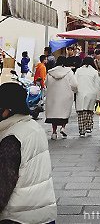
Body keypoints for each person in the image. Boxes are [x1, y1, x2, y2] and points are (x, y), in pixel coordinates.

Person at [0, 82, 57, 223]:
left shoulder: (11, 138)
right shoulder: (34, 127)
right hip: (43, 211)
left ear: (8, 109)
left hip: (17, 217)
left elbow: (4, 185)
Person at [45, 56, 78, 140]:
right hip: (65, 96)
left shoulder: (50, 72)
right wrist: (75, 91)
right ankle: (63, 128)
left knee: (54, 114)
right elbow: (74, 84)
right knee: (64, 113)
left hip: (53, 96)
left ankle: (54, 132)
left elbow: (46, 83)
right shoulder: (69, 72)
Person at [75, 57, 100, 137]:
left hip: (80, 93)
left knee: (81, 112)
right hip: (91, 93)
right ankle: (89, 127)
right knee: (89, 111)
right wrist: (97, 97)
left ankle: (82, 130)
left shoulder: (78, 71)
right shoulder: (94, 72)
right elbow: (97, 85)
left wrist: (75, 91)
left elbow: (74, 82)